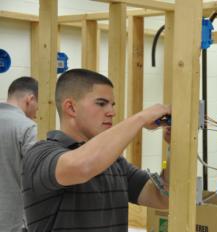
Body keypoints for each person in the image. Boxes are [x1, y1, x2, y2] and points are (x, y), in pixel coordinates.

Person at [22, 69, 171, 232]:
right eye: (101, 103)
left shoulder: (115, 163)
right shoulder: (40, 154)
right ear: (71, 108)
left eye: (112, 105)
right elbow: (82, 166)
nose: (112, 112)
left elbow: (163, 198)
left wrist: (173, 146)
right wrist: (141, 118)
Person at [0, 76, 38, 232]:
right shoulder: (27, 127)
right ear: (30, 99)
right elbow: (38, 174)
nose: (37, 112)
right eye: (38, 105)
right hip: (13, 222)